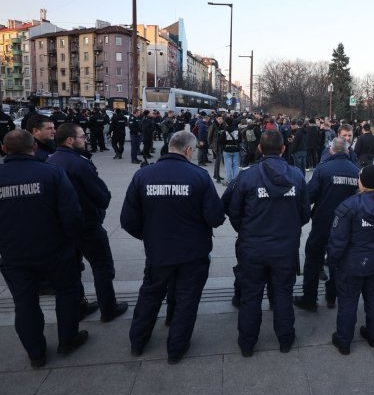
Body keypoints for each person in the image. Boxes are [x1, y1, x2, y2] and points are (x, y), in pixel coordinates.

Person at [0, 129, 87, 367]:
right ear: (34, 148)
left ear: (3, 149)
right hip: (55, 250)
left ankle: (36, 353)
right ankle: (67, 339)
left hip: (15, 254)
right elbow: (73, 215)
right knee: (67, 292)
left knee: (25, 303)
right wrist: (68, 240)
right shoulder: (53, 174)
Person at [121, 131, 225, 364]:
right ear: (189, 150)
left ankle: (137, 342)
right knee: (187, 299)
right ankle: (176, 349)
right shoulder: (199, 176)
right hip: (193, 252)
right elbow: (216, 217)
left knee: (150, 295)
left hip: (158, 252)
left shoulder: (143, 176)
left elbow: (127, 220)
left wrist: (150, 236)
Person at [225, 130, 311, 357]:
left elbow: (234, 212)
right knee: (283, 293)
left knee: (251, 295)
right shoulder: (297, 176)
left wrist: (247, 231)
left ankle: (247, 343)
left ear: (260, 149)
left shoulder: (247, 176)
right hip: (284, 248)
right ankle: (285, 339)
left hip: (253, 247)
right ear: (283, 149)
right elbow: (305, 214)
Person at [48, 123, 128, 322]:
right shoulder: (79, 163)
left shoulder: (49, 161)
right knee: (102, 267)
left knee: (73, 268)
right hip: (87, 225)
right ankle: (108, 308)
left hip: (62, 227)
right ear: (70, 140)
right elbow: (102, 196)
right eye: (82, 137)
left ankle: (79, 305)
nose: (86, 139)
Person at [327, 165, 374, 355]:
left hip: (353, 264)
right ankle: (373, 336)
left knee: (348, 302)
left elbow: (338, 240)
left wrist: (332, 261)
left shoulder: (350, 205)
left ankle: (344, 340)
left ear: (362, 181)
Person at [294, 137, 360, 312]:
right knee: (338, 261)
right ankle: (332, 296)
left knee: (313, 258)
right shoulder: (356, 171)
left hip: (323, 223)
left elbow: (310, 195)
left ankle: (309, 298)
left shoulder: (323, 169)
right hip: (346, 226)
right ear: (347, 151)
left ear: (331, 151)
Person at [220, 116, 241, 185]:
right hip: (236, 150)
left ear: (226, 123)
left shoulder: (225, 131)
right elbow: (240, 140)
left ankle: (229, 181)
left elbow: (221, 141)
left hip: (227, 150)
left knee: (228, 166)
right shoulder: (237, 130)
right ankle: (235, 181)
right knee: (236, 166)